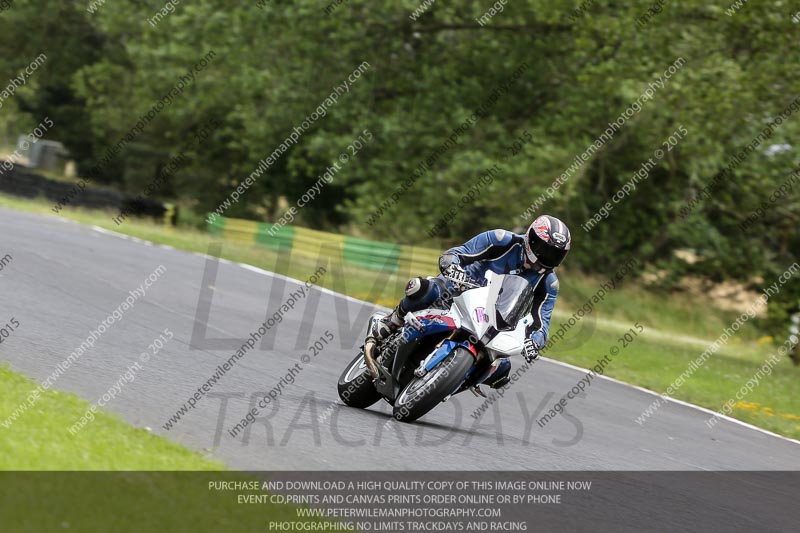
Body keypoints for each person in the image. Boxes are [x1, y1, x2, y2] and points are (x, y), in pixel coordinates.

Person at [371, 215, 571, 390]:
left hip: (495, 320)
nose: (548, 258)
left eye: (555, 254)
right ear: (531, 240)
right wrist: (454, 268)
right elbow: (455, 254)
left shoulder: (549, 283)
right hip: (458, 291)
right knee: (422, 288)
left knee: (502, 371)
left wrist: (533, 342)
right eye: (545, 250)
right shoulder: (501, 240)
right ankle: (392, 322)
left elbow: (541, 324)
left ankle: (455, 381)